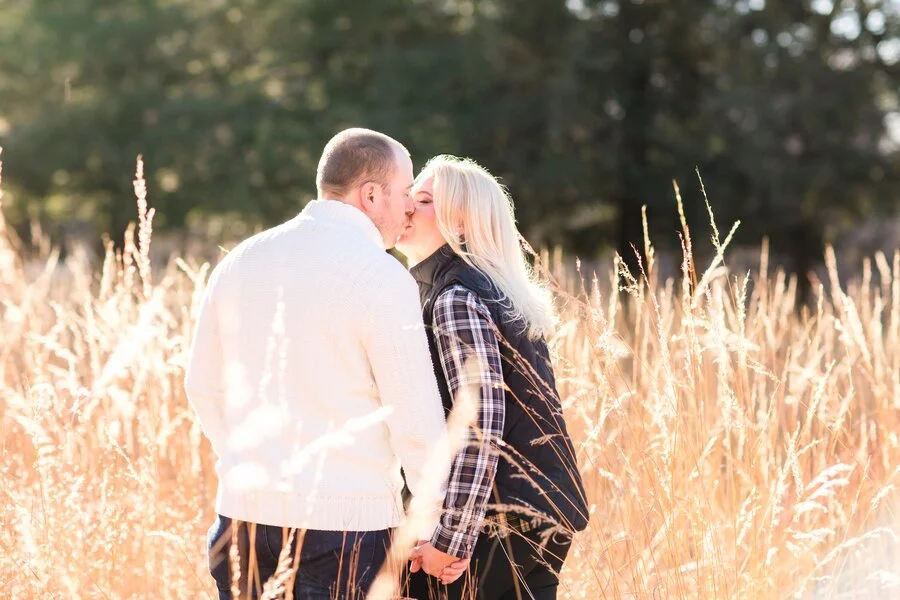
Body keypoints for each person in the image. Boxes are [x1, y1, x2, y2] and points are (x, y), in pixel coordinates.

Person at [184, 128, 451, 599]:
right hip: (347, 530)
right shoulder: (382, 277)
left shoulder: (241, 260)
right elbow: (415, 419)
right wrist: (429, 525)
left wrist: (250, 467)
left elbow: (203, 385)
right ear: (371, 195)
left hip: (243, 519)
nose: (410, 207)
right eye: (406, 193)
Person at [397, 155, 590, 600]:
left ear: (460, 225)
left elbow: (480, 424)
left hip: (499, 523)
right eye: (409, 198)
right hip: (532, 510)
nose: (407, 208)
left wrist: (452, 538)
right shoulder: (487, 288)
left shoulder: (455, 299)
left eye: (423, 201)